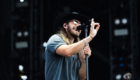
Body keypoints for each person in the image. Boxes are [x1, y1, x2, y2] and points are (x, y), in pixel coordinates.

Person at [45, 12, 100, 80]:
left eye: (80, 24)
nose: (79, 25)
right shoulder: (55, 38)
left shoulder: (78, 50)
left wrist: (84, 60)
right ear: (65, 25)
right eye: (75, 22)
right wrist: (90, 36)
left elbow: (81, 77)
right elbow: (67, 51)